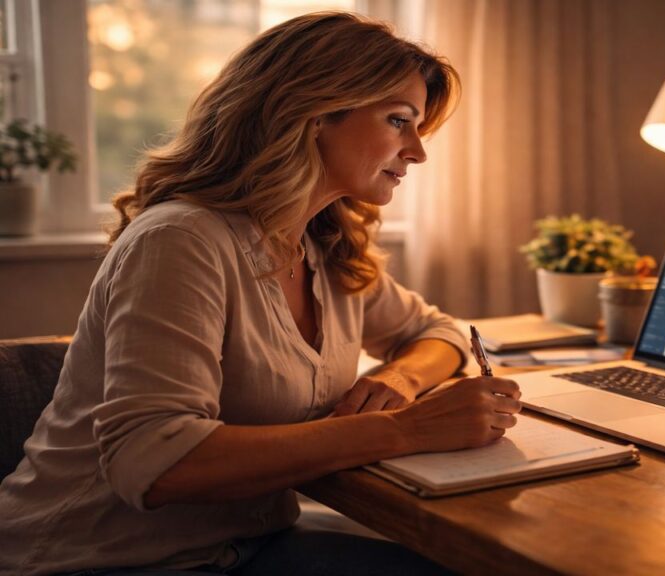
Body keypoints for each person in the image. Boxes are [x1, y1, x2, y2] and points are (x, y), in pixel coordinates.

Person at [0, 11, 521, 576]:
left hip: (243, 546)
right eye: (399, 121)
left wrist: (401, 379)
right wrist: (405, 429)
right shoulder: (181, 241)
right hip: (94, 560)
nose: (418, 151)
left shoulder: (322, 247)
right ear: (313, 113)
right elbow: (153, 460)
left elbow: (437, 331)